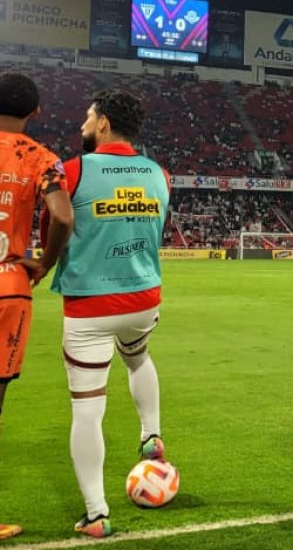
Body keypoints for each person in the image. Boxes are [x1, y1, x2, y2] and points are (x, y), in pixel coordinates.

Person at [50, 91, 169, 538]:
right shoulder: (160, 174)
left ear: (102, 123)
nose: (83, 121)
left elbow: (57, 226)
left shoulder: (74, 170)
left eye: (88, 115)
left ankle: (97, 514)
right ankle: (151, 434)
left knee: (87, 410)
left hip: (90, 306)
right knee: (137, 355)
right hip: (142, 299)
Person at [0, 73, 73, 543]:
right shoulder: (41, 159)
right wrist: (45, 261)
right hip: (8, 286)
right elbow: (63, 216)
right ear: (36, 112)